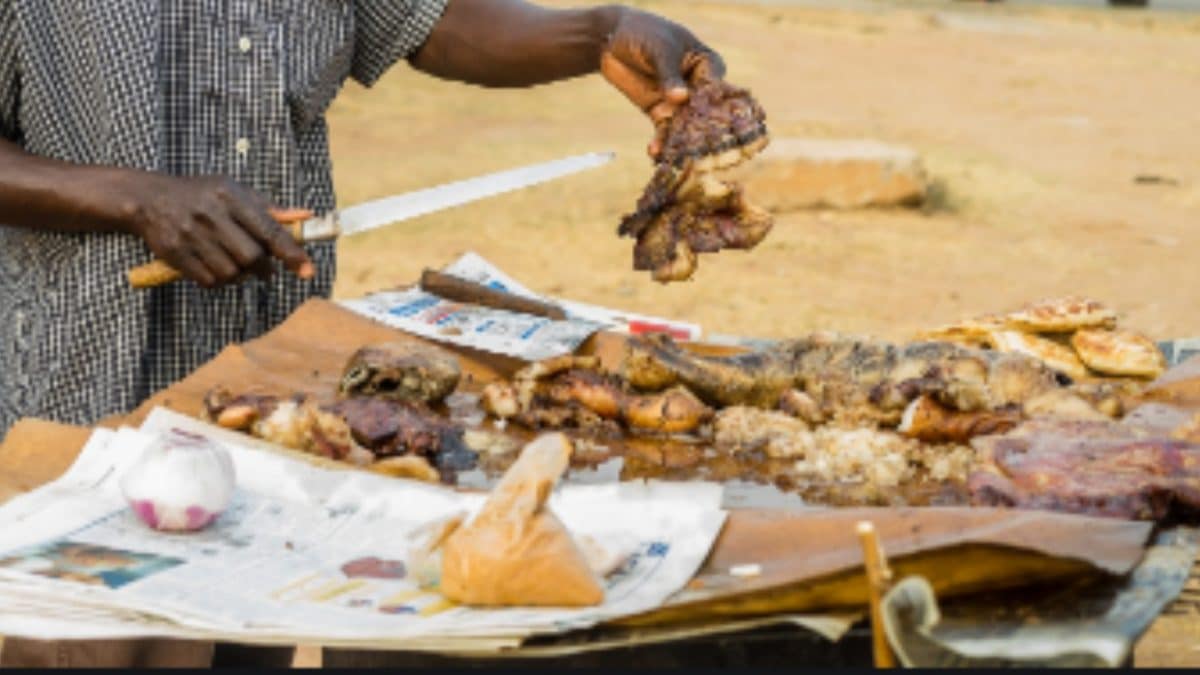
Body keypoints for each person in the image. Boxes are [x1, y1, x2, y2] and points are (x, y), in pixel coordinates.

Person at [0, 0, 726, 667]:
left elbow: (427, 20)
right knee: (79, 650)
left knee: (247, 643)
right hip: (72, 393)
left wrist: (597, 33)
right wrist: (137, 199)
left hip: (268, 411)